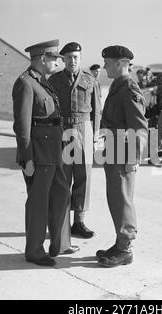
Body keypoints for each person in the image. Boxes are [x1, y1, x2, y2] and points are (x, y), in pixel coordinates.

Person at [12, 39, 76, 267]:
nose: (57, 63)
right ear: (42, 59)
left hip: (55, 151)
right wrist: (27, 158)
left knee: (61, 195)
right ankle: (34, 251)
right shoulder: (26, 83)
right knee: (38, 202)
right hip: (38, 155)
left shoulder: (43, 82)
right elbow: (22, 126)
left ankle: (60, 244)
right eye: (54, 59)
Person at [96, 45, 148, 267]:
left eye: (107, 61)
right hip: (113, 150)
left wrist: (132, 160)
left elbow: (139, 128)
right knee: (115, 199)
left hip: (123, 153)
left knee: (123, 200)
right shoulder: (119, 85)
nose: (105, 65)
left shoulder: (129, 88)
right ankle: (120, 243)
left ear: (120, 63)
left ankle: (125, 249)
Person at [49, 42, 101, 242]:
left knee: (83, 177)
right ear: (63, 60)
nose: (72, 61)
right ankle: (62, 223)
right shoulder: (54, 80)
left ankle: (79, 222)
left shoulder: (90, 79)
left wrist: (96, 135)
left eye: (76, 57)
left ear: (81, 58)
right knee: (63, 177)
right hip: (63, 130)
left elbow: (97, 109)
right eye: (69, 57)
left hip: (84, 130)